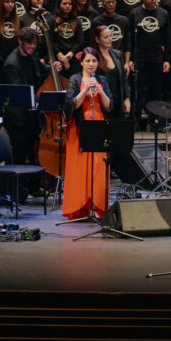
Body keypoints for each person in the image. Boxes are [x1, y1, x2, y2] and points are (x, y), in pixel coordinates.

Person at [62, 48, 113, 220]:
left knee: (98, 167)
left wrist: (100, 91)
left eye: (94, 61)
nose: (91, 64)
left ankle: (97, 206)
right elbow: (70, 105)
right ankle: (80, 207)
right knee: (80, 168)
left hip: (98, 124)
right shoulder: (74, 79)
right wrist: (85, 91)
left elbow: (109, 106)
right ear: (82, 62)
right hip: (79, 127)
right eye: (88, 61)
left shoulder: (102, 80)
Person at [3, 27, 62, 165]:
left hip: (31, 115)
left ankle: (32, 184)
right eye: (29, 43)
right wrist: (44, 101)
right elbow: (21, 94)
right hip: (18, 119)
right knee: (19, 155)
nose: (32, 46)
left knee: (31, 152)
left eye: (34, 43)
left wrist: (53, 67)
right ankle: (17, 185)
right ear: (20, 41)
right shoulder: (12, 64)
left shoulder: (33, 54)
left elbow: (41, 71)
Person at [126, 0, 171, 129]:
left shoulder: (163, 14)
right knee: (138, 92)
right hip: (139, 59)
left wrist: (167, 59)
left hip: (157, 59)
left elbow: (167, 39)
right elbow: (129, 39)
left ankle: (155, 122)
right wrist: (130, 59)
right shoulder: (134, 13)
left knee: (156, 91)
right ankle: (136, 121)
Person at [90, 25, 131, 118]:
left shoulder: (118, 54)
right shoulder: (92, 57)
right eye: (106, 37)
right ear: (97, 39)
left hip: (118, 102)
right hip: (102, 102)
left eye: (110, 36)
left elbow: (124, 79)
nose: (110, 39)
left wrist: (127, 98)